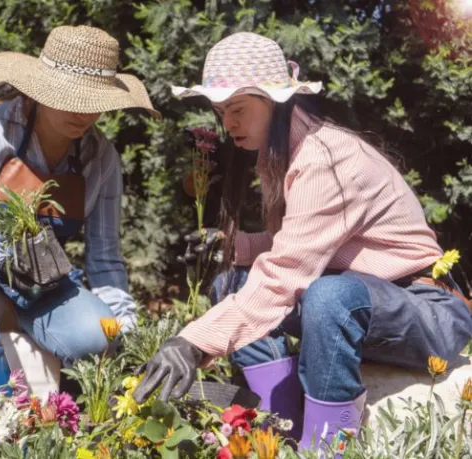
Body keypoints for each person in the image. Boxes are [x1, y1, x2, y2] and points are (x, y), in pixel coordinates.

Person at [133, 32, 472, 451]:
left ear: (275, 101)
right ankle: (282, 425)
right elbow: (295, 243)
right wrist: (232, 247)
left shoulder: (325, 159)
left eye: (237, 109)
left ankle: (325, 446)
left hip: (427, 309)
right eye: (221, 111)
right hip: (371, 299)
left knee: (328, 298)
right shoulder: (285, 151)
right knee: (234, 284)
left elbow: (286, 277)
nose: (228, 124)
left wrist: (192, 341)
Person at [0, 25, 158, 389]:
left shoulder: (102, 160)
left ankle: (23, 330)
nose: (83, 113)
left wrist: (127, 329)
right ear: (41, 90)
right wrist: (0, 260)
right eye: (70, 97)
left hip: (42, 289)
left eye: (95, 102)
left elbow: (105, 260)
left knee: (98, 335)